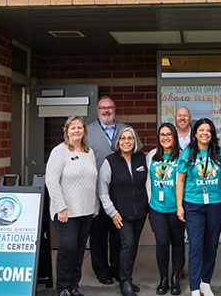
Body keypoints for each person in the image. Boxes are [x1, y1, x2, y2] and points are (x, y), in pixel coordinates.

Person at [45, 116, 99, 296]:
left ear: (84, 130)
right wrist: (61, 207)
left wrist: (94, 206)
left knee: (79, 249)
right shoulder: (60, 151)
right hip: (66, 212)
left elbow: (93, 181)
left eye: (80, 127)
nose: (77, 130)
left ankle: (74, 285)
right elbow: (51, 181)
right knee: (67, 249)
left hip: (86, 211)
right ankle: (63, 288)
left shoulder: (88, 151)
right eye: (73, 127)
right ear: (66, 130)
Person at [176, 118, 221, 296]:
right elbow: (180, 180)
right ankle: (195, 287)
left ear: (212, 134)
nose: (205, 133)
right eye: (201, 130)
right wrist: (180, 205)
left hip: (215, 204)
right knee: (196, 245)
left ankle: (206, 282)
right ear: (195, 133)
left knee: (211, 245)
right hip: (193, 204)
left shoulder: (220, 152)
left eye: (208, 130)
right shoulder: (187, 153)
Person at [98, 126, 148, 296]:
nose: (126, 141)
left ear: (135, 141)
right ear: (117, 141)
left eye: (130, 138)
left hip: (140, 212)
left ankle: (127, 277)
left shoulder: (143, 158)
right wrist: (112, 212)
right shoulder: (109, 161)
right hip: (120, 214)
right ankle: (125, 282)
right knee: (127, 244)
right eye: (123, 138)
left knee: (133, 246)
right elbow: (103, 191)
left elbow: (148, 184)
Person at [87, 96, 130, 285]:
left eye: (110, 108)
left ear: (115, 109)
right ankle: (102, 270)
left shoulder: (124, 130)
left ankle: (118, 269)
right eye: (103, 108)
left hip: (120, 192)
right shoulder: (88, 131)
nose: (106, 111)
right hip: (96, 192)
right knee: (98, 234)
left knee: (118, 233)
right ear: (97, 110)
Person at [147, 123, 185, 295]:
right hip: (157, 208)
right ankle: (163, 278)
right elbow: (147, 181)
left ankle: (176, 277)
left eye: (169, 134)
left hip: (176, 208)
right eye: (162, 134)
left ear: (175, 137)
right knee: (162, 243)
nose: (165, 137)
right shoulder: (151, 156)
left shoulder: (182, 156)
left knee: (177, 242)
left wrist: (181, 206)